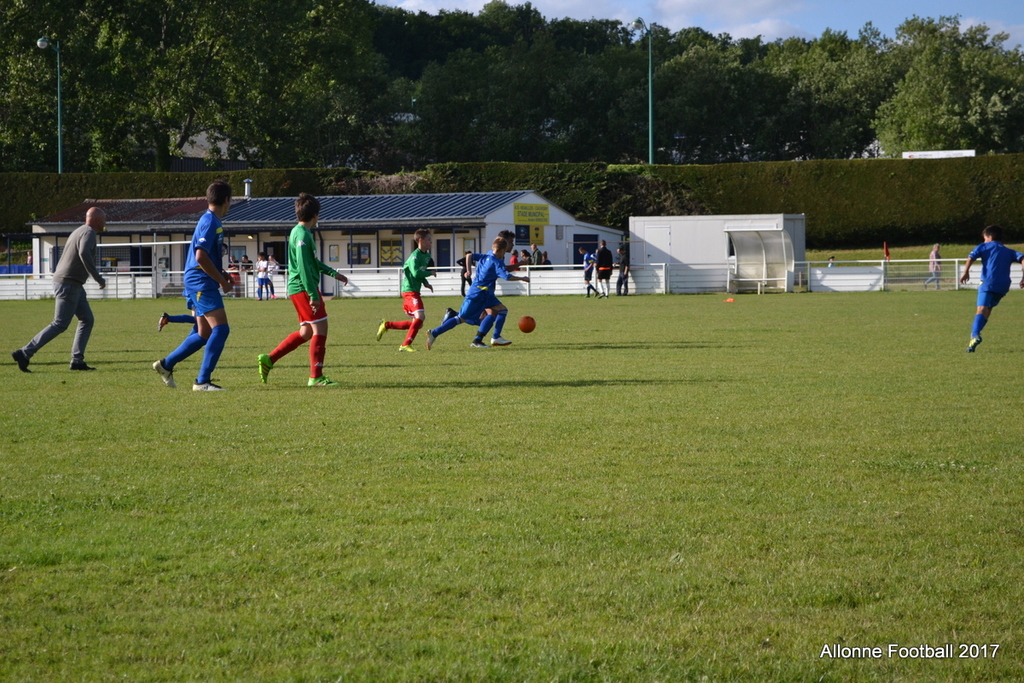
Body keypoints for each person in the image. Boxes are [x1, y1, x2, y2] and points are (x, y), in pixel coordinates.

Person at [258, 193, 350, 386]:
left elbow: (312, 262)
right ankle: (316, 377)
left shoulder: (300, 232)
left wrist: (333, 273)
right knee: (320, 328)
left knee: (306, 332)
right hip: (302, 288)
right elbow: (303, 268)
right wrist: (313, 294)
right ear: (316, 215)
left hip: (300, 288)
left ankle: (269, 359)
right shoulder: (302, 235)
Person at [152, 180, 234, 391]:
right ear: (226, 200)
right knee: (221, 329)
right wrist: (221, 282)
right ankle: (202, 382)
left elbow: (206, 256)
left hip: (198, 279)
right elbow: (200, 256)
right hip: (200, 281)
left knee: (203, 332)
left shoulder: (211, 220)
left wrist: (222, 273)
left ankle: (166, 364)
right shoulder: (210, 221)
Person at [12, 207, 107, 372]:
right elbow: (84, 252)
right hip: (68, 284)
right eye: (104, 219)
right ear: (97, 219)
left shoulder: (79, 231)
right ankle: (25, 352)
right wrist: (97, 277)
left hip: (73, 284)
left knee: (87, 319)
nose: (105, 223)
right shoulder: (89, 233)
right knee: (60, 324)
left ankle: (77, 361)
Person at [425, 236, 530, 349]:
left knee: (502, 310)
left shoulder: (488, 255)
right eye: (504, 252)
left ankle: (495, 337)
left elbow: (469, 255)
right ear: (502, 250)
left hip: (486, 294)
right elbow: (506, 276)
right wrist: (522, 278)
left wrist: (469, 271)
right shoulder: (496, 262)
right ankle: (435, 332)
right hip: (477, 294)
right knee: (461, 318)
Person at [960, 225, 1024, 353]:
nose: (984, 241)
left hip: (988, 282)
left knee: (981, 309)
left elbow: (971, 257)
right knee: (988, 309)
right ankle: (973, 341)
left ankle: (975, 335)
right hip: (1003, 286)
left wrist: (965, 272)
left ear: (990, 237)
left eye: (984, 238)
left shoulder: (983, 246)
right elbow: (1022, 258)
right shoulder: (1008, 251)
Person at [377, 228, 434, 352]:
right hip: (409, 290)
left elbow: (420, 272)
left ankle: (386, 325)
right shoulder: (414, 256)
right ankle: (405, 344)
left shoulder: (427, 256)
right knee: (420, 316)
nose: (431, 242)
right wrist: (430, 273)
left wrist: (426, 283)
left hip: (415, 290)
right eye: (429, 240)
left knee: (419, 323)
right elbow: (416, 273)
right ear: (421, 240)